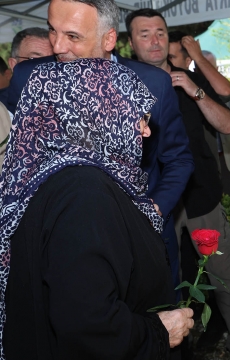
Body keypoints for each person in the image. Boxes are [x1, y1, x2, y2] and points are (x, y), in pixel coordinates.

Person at [0, 58, 194, 359]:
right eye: (139, 117)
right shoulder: (83, 196)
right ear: (99, 116)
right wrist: (158, 332)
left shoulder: (64, 175)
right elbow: (87, 325)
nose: (146, 132)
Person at [6, 0, 194, 293]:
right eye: (52, 31)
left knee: (153, 327)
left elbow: (179, 159)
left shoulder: (152, 83)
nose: (56, 46)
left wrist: (154, 210)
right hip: (57, 241)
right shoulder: (30, 78)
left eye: (73, 36)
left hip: (139, 238)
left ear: (108, 39)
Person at [126, 10, 230, 360]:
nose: (154, 40)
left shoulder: (185, 79)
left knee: (223, 273)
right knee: (166, 278)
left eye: (160, 32)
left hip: (200, 195)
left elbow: (229, 124)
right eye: (145, 34)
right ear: (129, 42)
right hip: (153, 201)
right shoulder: (122, 85)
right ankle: (174, 342)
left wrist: (193, 88)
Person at [177, 40, 230, 195]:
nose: (205, 71)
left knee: (229, 197)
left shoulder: (225, 90)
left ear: (216, 68)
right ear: (194, 67)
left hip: (225, 158)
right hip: (202, 160)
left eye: (209, 67)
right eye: (201, 66)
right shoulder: (186, 89)